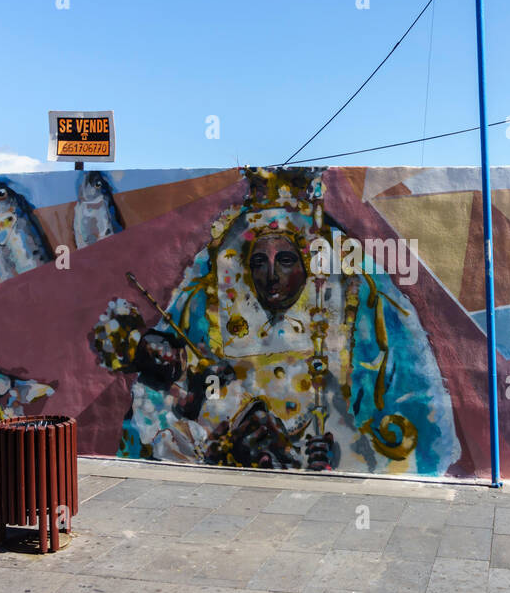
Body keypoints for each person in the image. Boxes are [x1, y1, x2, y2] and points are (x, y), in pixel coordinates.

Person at [90, 167, 460, 475]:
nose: (270, 276)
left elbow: (415, 424)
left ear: (308, 263)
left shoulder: (361, 301)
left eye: (285, 261)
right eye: (258, 262)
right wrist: (223, 442)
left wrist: (346, 456)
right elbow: (160, 414)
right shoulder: (205, 303)